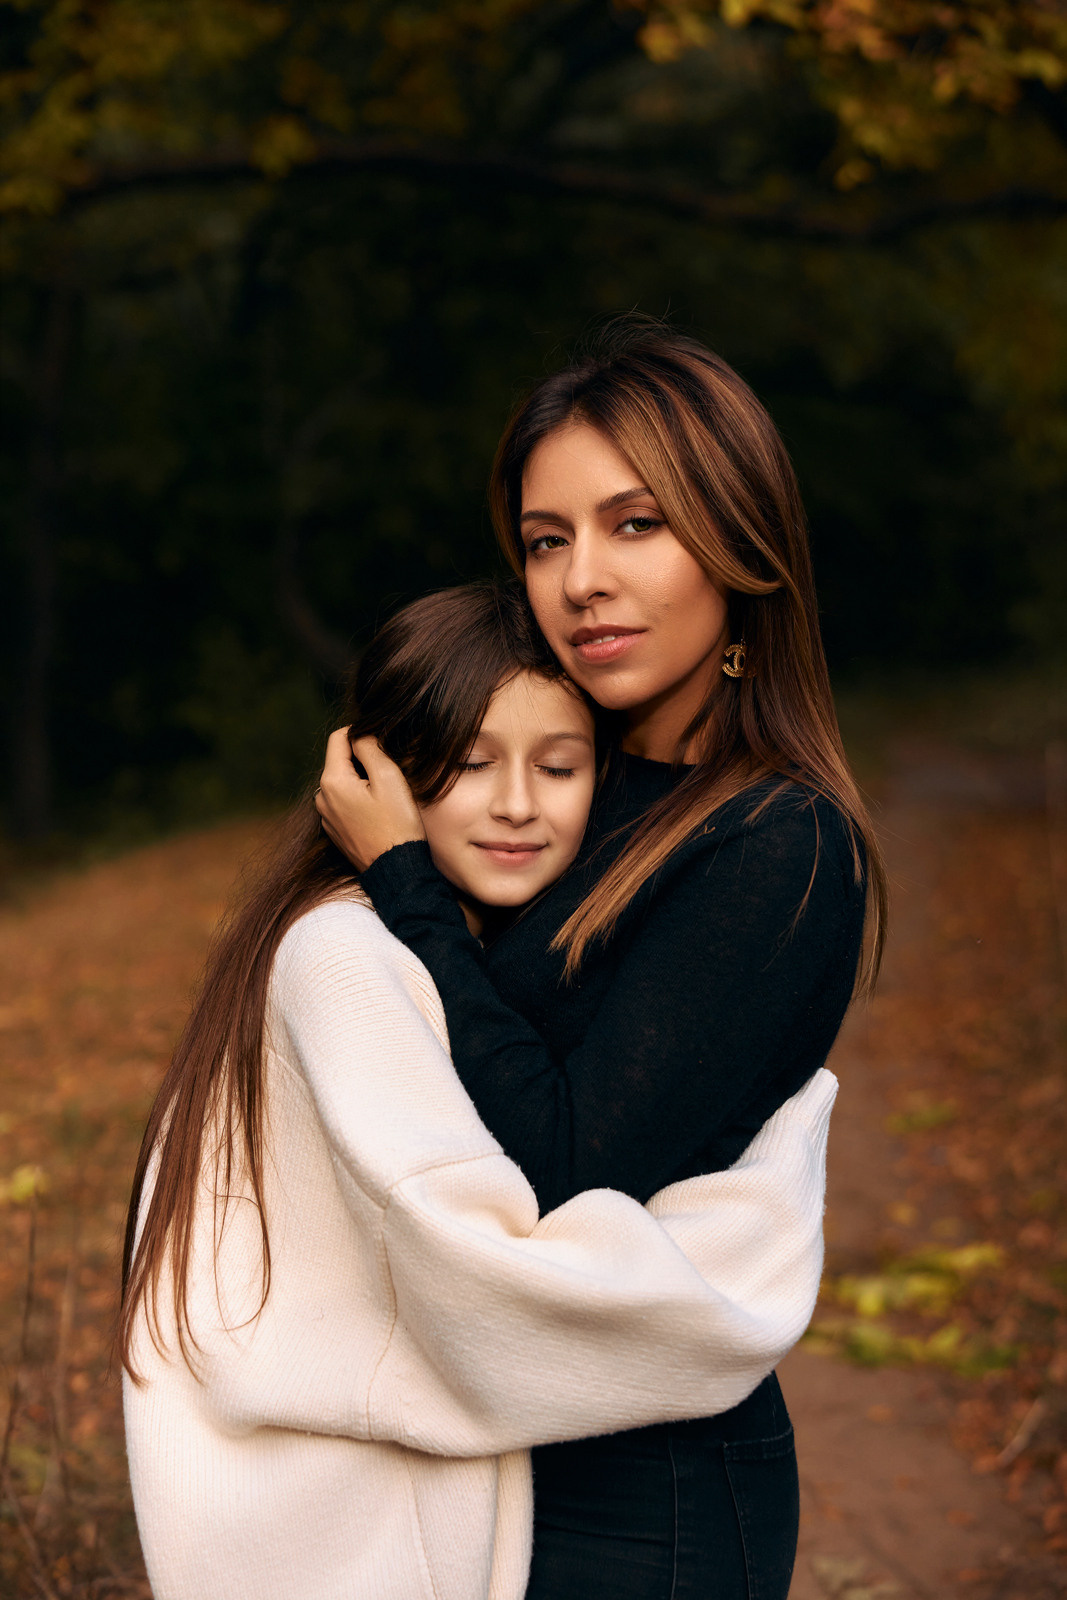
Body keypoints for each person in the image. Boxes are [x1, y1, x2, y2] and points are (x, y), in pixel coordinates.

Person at [315, 320, 889, 1600]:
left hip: (652, 1503)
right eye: (545, 538)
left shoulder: (777, 846)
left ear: (737, 540)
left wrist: (402, 876)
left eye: (636, 525)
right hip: (489, 1462)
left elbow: (567, 1173)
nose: (580, 579)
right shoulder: (565, 787)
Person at [120, 581, 837, 1600]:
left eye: (559, 766)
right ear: (377, 777)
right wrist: (740, 1235)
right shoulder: (346, 955)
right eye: (464, 765)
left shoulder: (459, 940)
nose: (514, 802)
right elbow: (490, 1264)